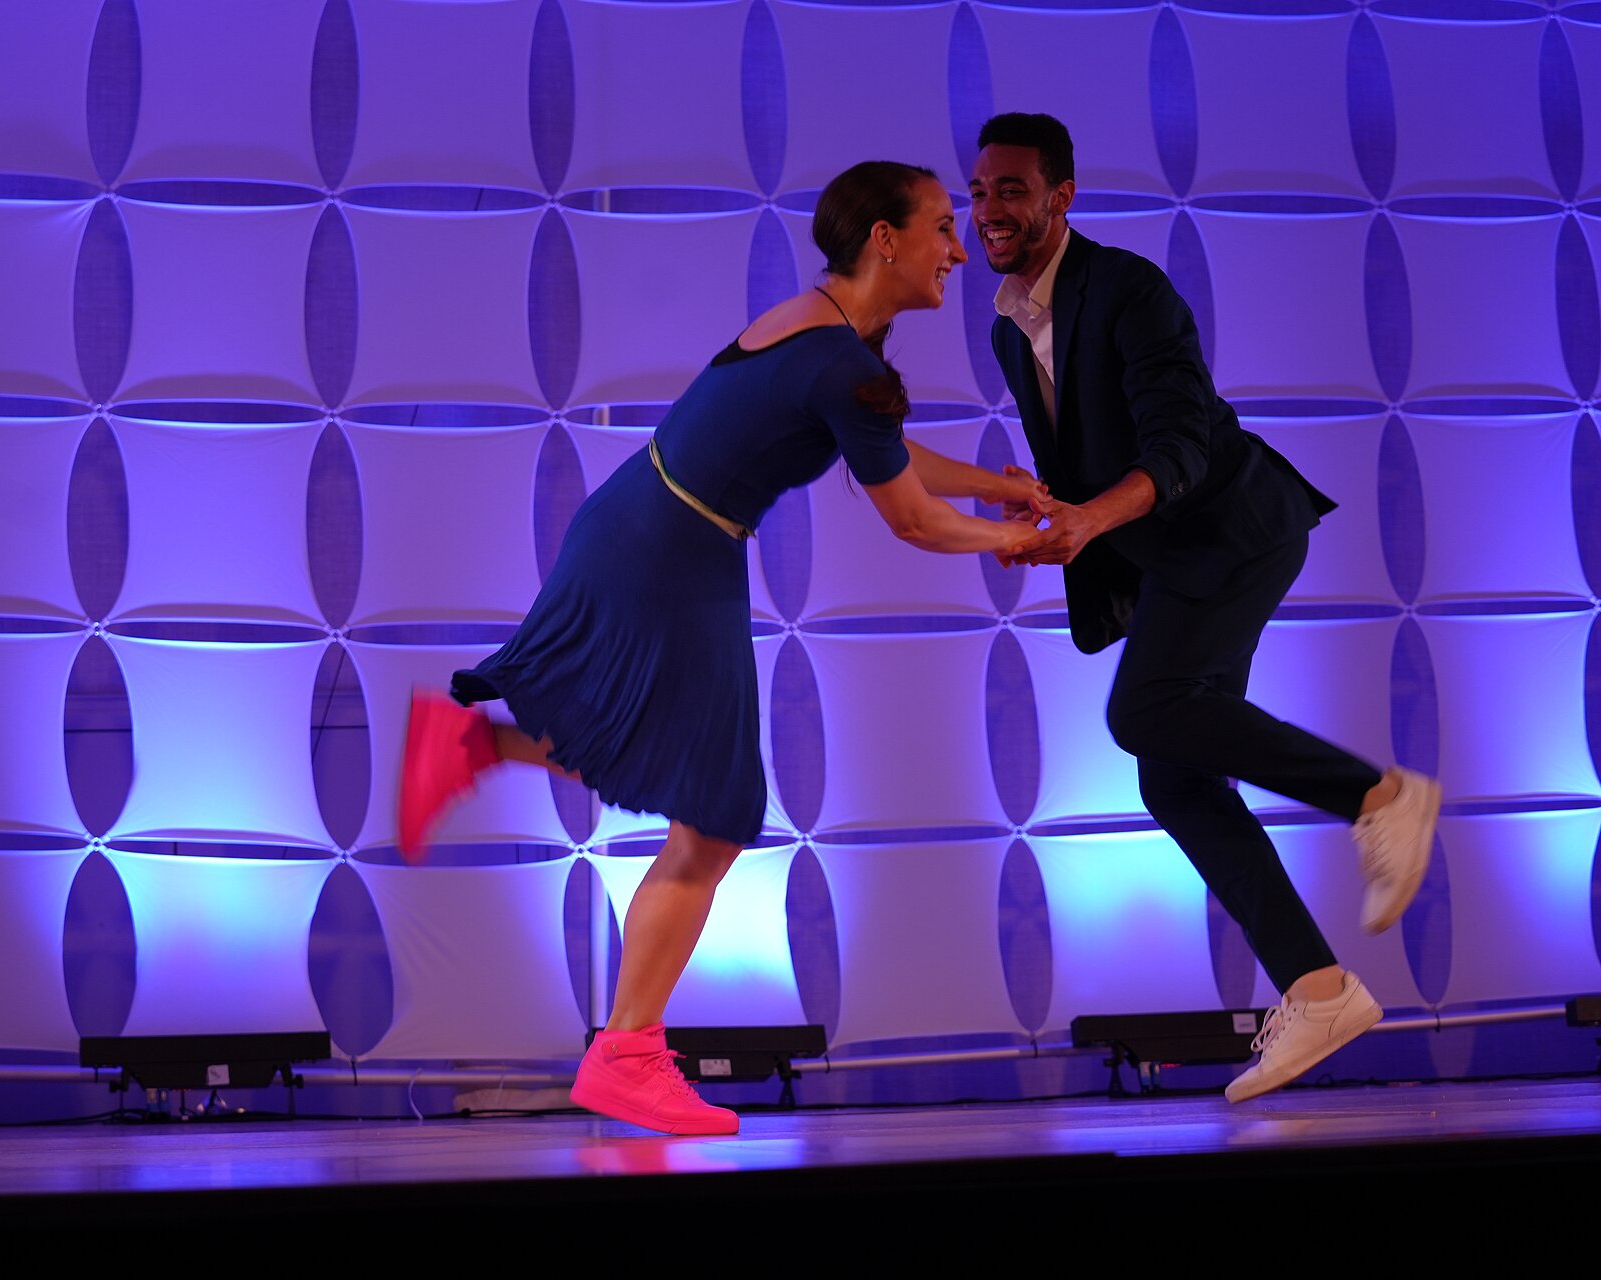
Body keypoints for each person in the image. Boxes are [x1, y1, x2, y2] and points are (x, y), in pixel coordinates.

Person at [399, 161, 1044, 1135]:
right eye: (943, 227)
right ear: (884, 238)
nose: (958, 248)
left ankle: (472, 747)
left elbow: (894, 457)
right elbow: (910, 517)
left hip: (656, 531)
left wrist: (1005, 492)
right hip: (668, 549)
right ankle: (625, 1052)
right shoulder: (845, 362)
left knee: (674, 772)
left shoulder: (831, 330)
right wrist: (1020, 539)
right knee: (715, 811)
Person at [970, 112, 1441, 1102]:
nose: (988, 211)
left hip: (1233, 528)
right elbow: (1079, 456)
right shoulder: (1012, 325)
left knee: (1144, 710)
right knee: (1175, 781)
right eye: (978, 193)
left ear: (1061, 196)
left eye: (1010, 189)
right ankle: (1320, 988)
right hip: (1170, 557)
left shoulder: (1130, 289)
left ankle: (1379, 795)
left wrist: (1092, 518)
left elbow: (1181, 444)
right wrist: (1039, 515)